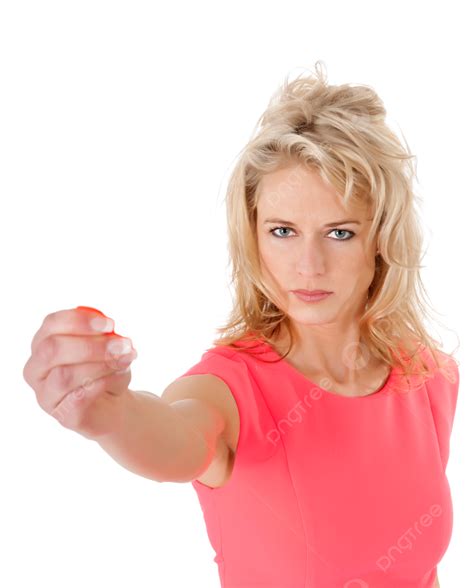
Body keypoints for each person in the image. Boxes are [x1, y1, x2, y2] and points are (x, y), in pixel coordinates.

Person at [23, 62, 457, 588]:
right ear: (252, 235)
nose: (309, 265)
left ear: (383, 239)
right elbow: (176, 436)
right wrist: (108, 415)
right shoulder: (229, 388)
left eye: (340, 233)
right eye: (283, 231)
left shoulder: (429, 375)